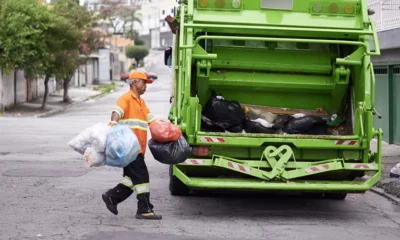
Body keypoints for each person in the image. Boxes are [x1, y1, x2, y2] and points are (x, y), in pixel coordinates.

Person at [102, 70, 162, 220]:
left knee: (131, 179)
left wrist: (167, 130)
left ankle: (112, 197)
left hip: (138, 149)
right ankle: (144, 209)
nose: (146, 86)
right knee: (142, 177)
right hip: (129, 148)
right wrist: (113, 123)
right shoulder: (126, 98)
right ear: (134, 82)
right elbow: (117, 111)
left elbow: (152, 121)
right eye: (144, 82)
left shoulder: (141, 103)